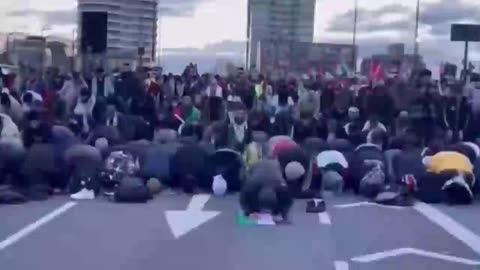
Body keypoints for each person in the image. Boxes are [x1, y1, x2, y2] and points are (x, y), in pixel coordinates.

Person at [240, 159, 293, 224]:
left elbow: (288, 201)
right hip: (257, 173)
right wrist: (247, 212)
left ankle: (274, 210)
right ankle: (255, 209)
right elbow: (243, 198)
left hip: (271, 176)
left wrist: (284, 214)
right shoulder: (251, 185)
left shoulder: (282, 187)